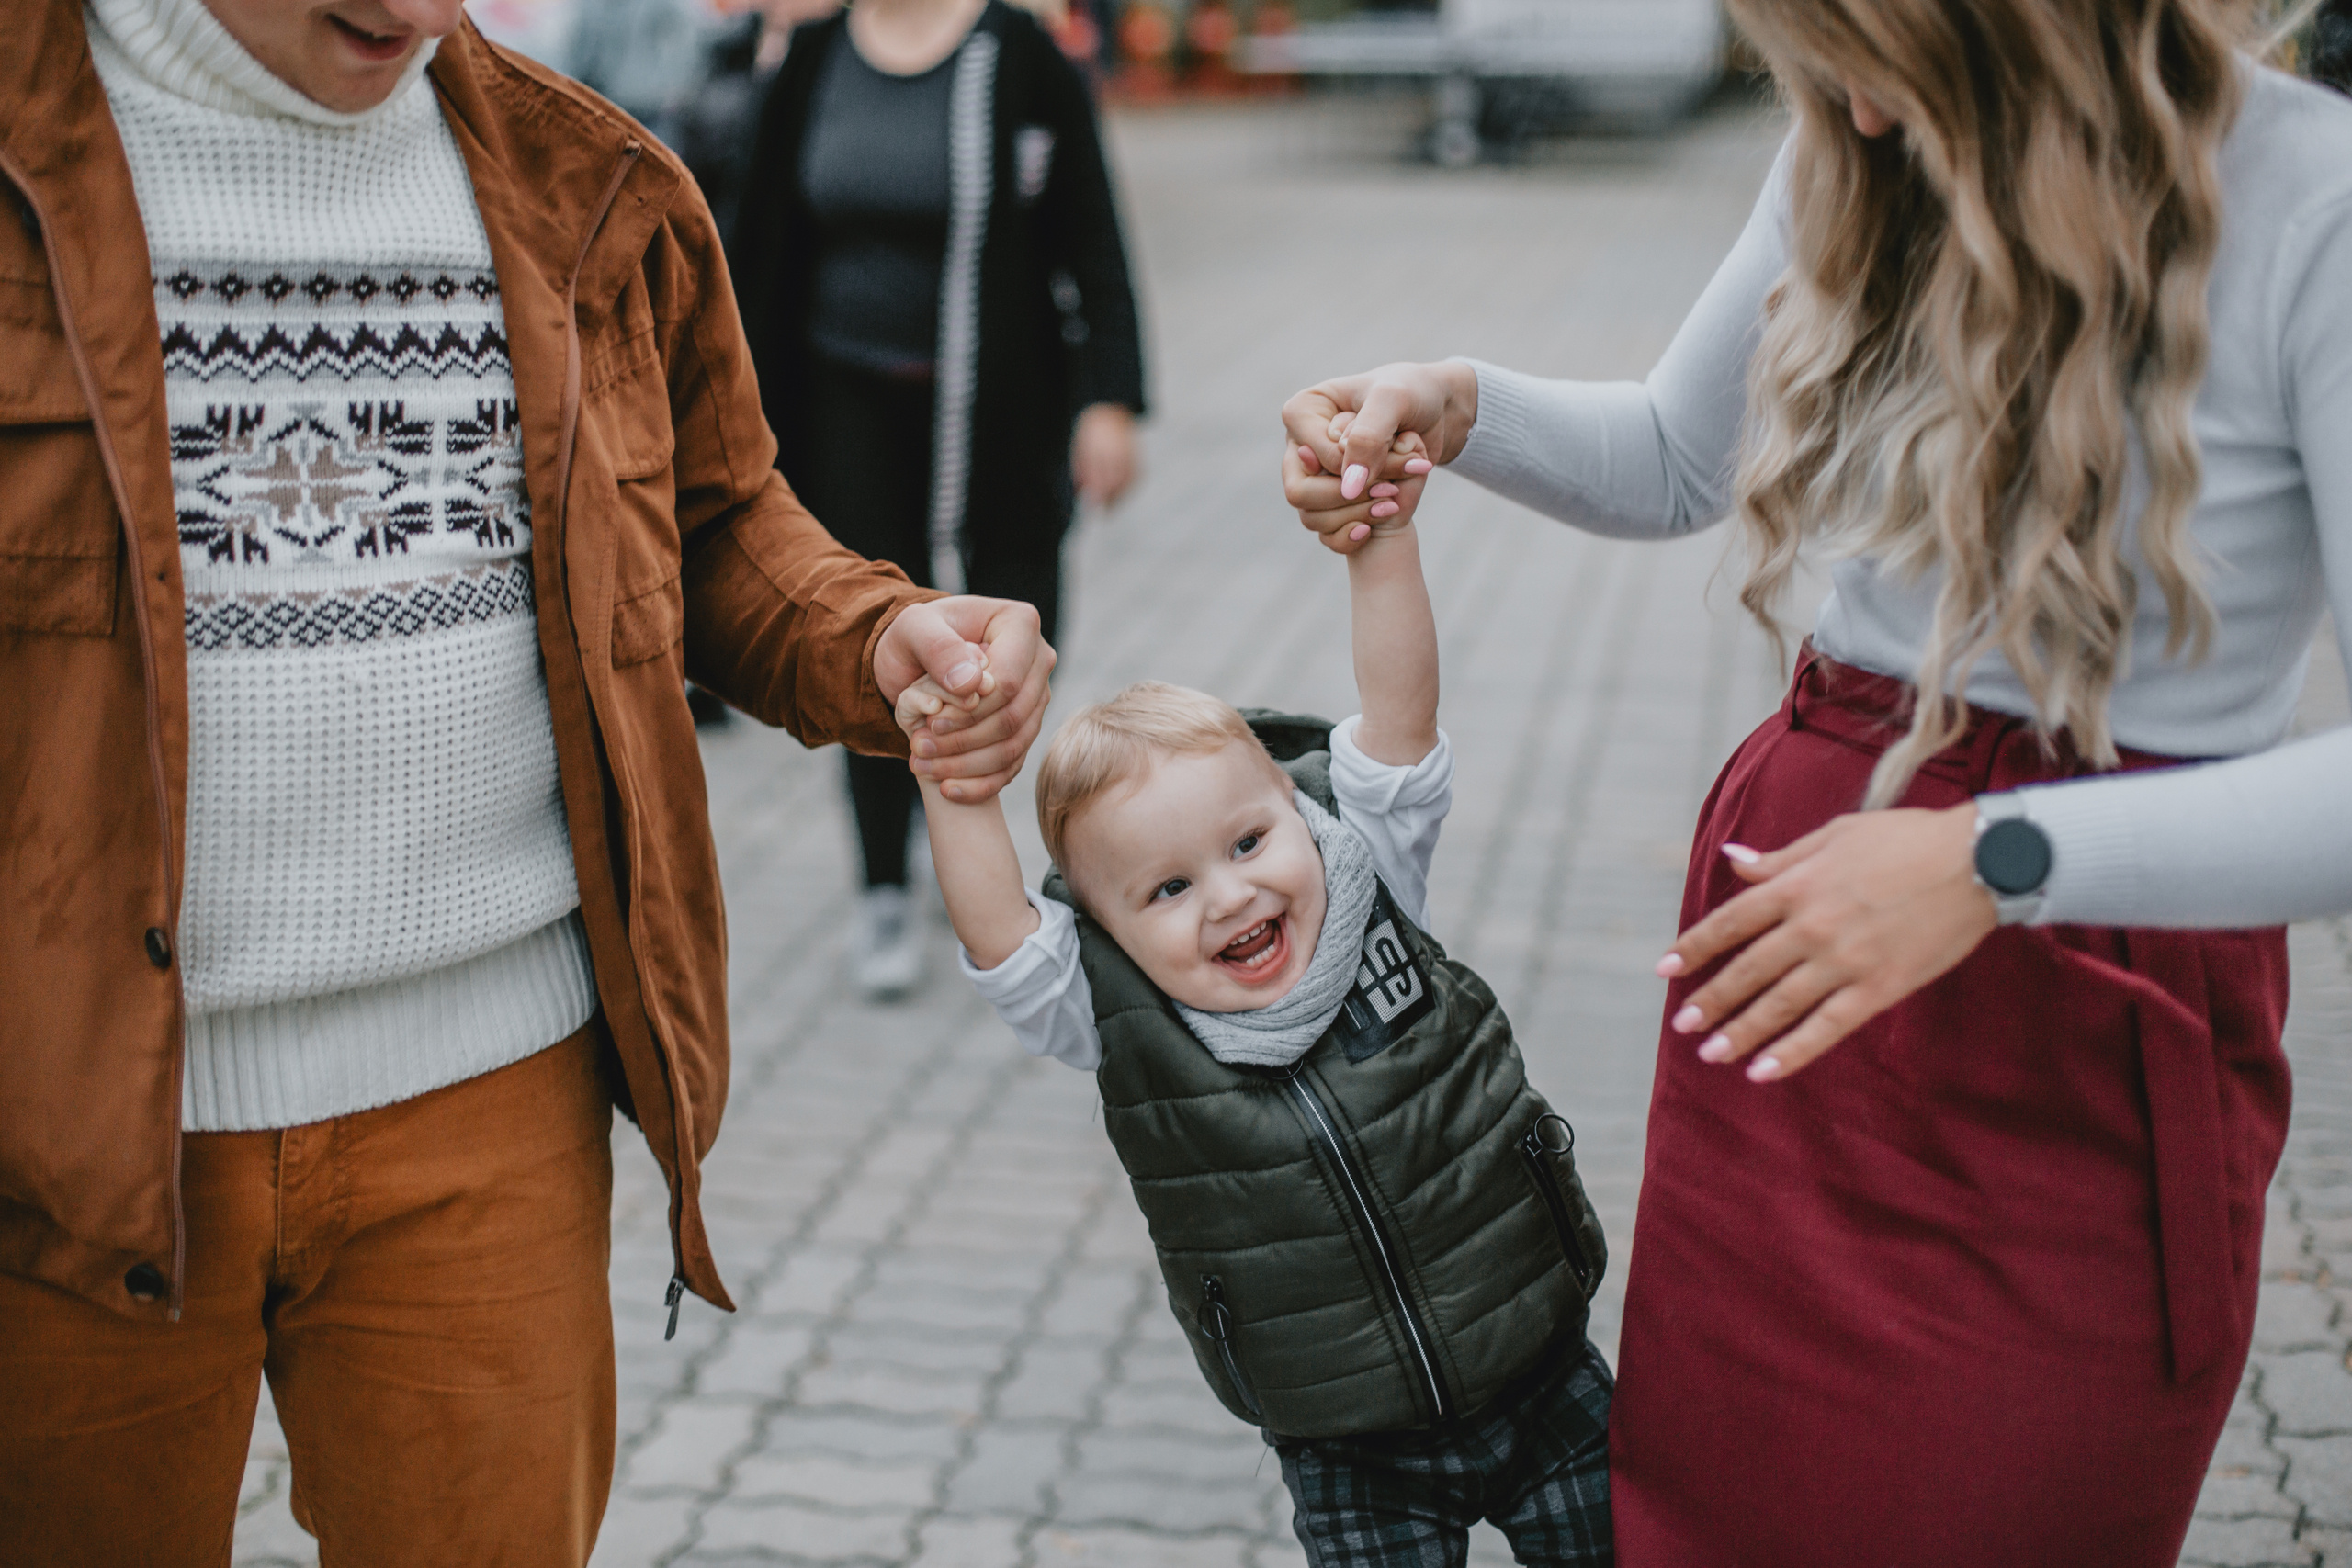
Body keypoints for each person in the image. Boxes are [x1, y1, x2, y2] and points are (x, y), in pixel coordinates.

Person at [1279, 1, 2352, 1563]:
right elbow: (1675, 458)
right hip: (1791, 992)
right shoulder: (1856, 142)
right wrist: (1457, 404)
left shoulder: (2317, 205)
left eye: (1872, 51)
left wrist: (1991, 856)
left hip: (2088, 1005)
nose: (1848, 115)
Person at [0, 0, 1052, 1562]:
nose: (419, 14)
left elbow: (711, 518)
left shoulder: (591, 181)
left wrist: (874, 630)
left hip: (493, 1098)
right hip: (58, 1130)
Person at [895, 445, 1616, 1567]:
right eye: (1167, 890)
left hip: (1539, 1366)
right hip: (1346, 1441)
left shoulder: (1361, 864)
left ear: (1293, 802)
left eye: (1246, 842)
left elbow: (1400, 716)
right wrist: (955, 774)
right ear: (1106, 926)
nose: (1230, 896)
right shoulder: (1112, 1001)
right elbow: (999, 936)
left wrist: (1379, 541)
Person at [732, 0, 1147, 999]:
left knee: (1004, 628)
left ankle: (971, 839)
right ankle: (884, 875)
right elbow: (757, 243)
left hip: (1001, 404)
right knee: (872, 630)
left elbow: (1091, 229)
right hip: (843, 404)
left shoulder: (1020, 54)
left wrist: (1112, 401)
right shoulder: (813, 56)